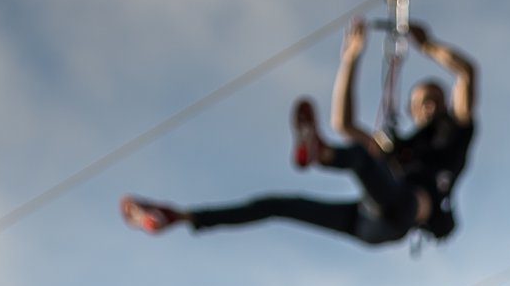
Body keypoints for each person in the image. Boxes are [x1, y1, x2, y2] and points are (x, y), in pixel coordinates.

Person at [122, 18, 476, 247]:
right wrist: (351, 59)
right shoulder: (399, 148)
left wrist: (428, 46)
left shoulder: (454, 133)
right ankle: (181, 217)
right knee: (278, 205)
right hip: (367, 220)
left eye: (434, 98)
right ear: (412, 111)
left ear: (445, 102)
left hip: (401, 215)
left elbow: (466, 74)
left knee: (358, 157)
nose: (428, 105)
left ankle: (322, 154)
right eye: (420, 102)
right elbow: (344, 125)